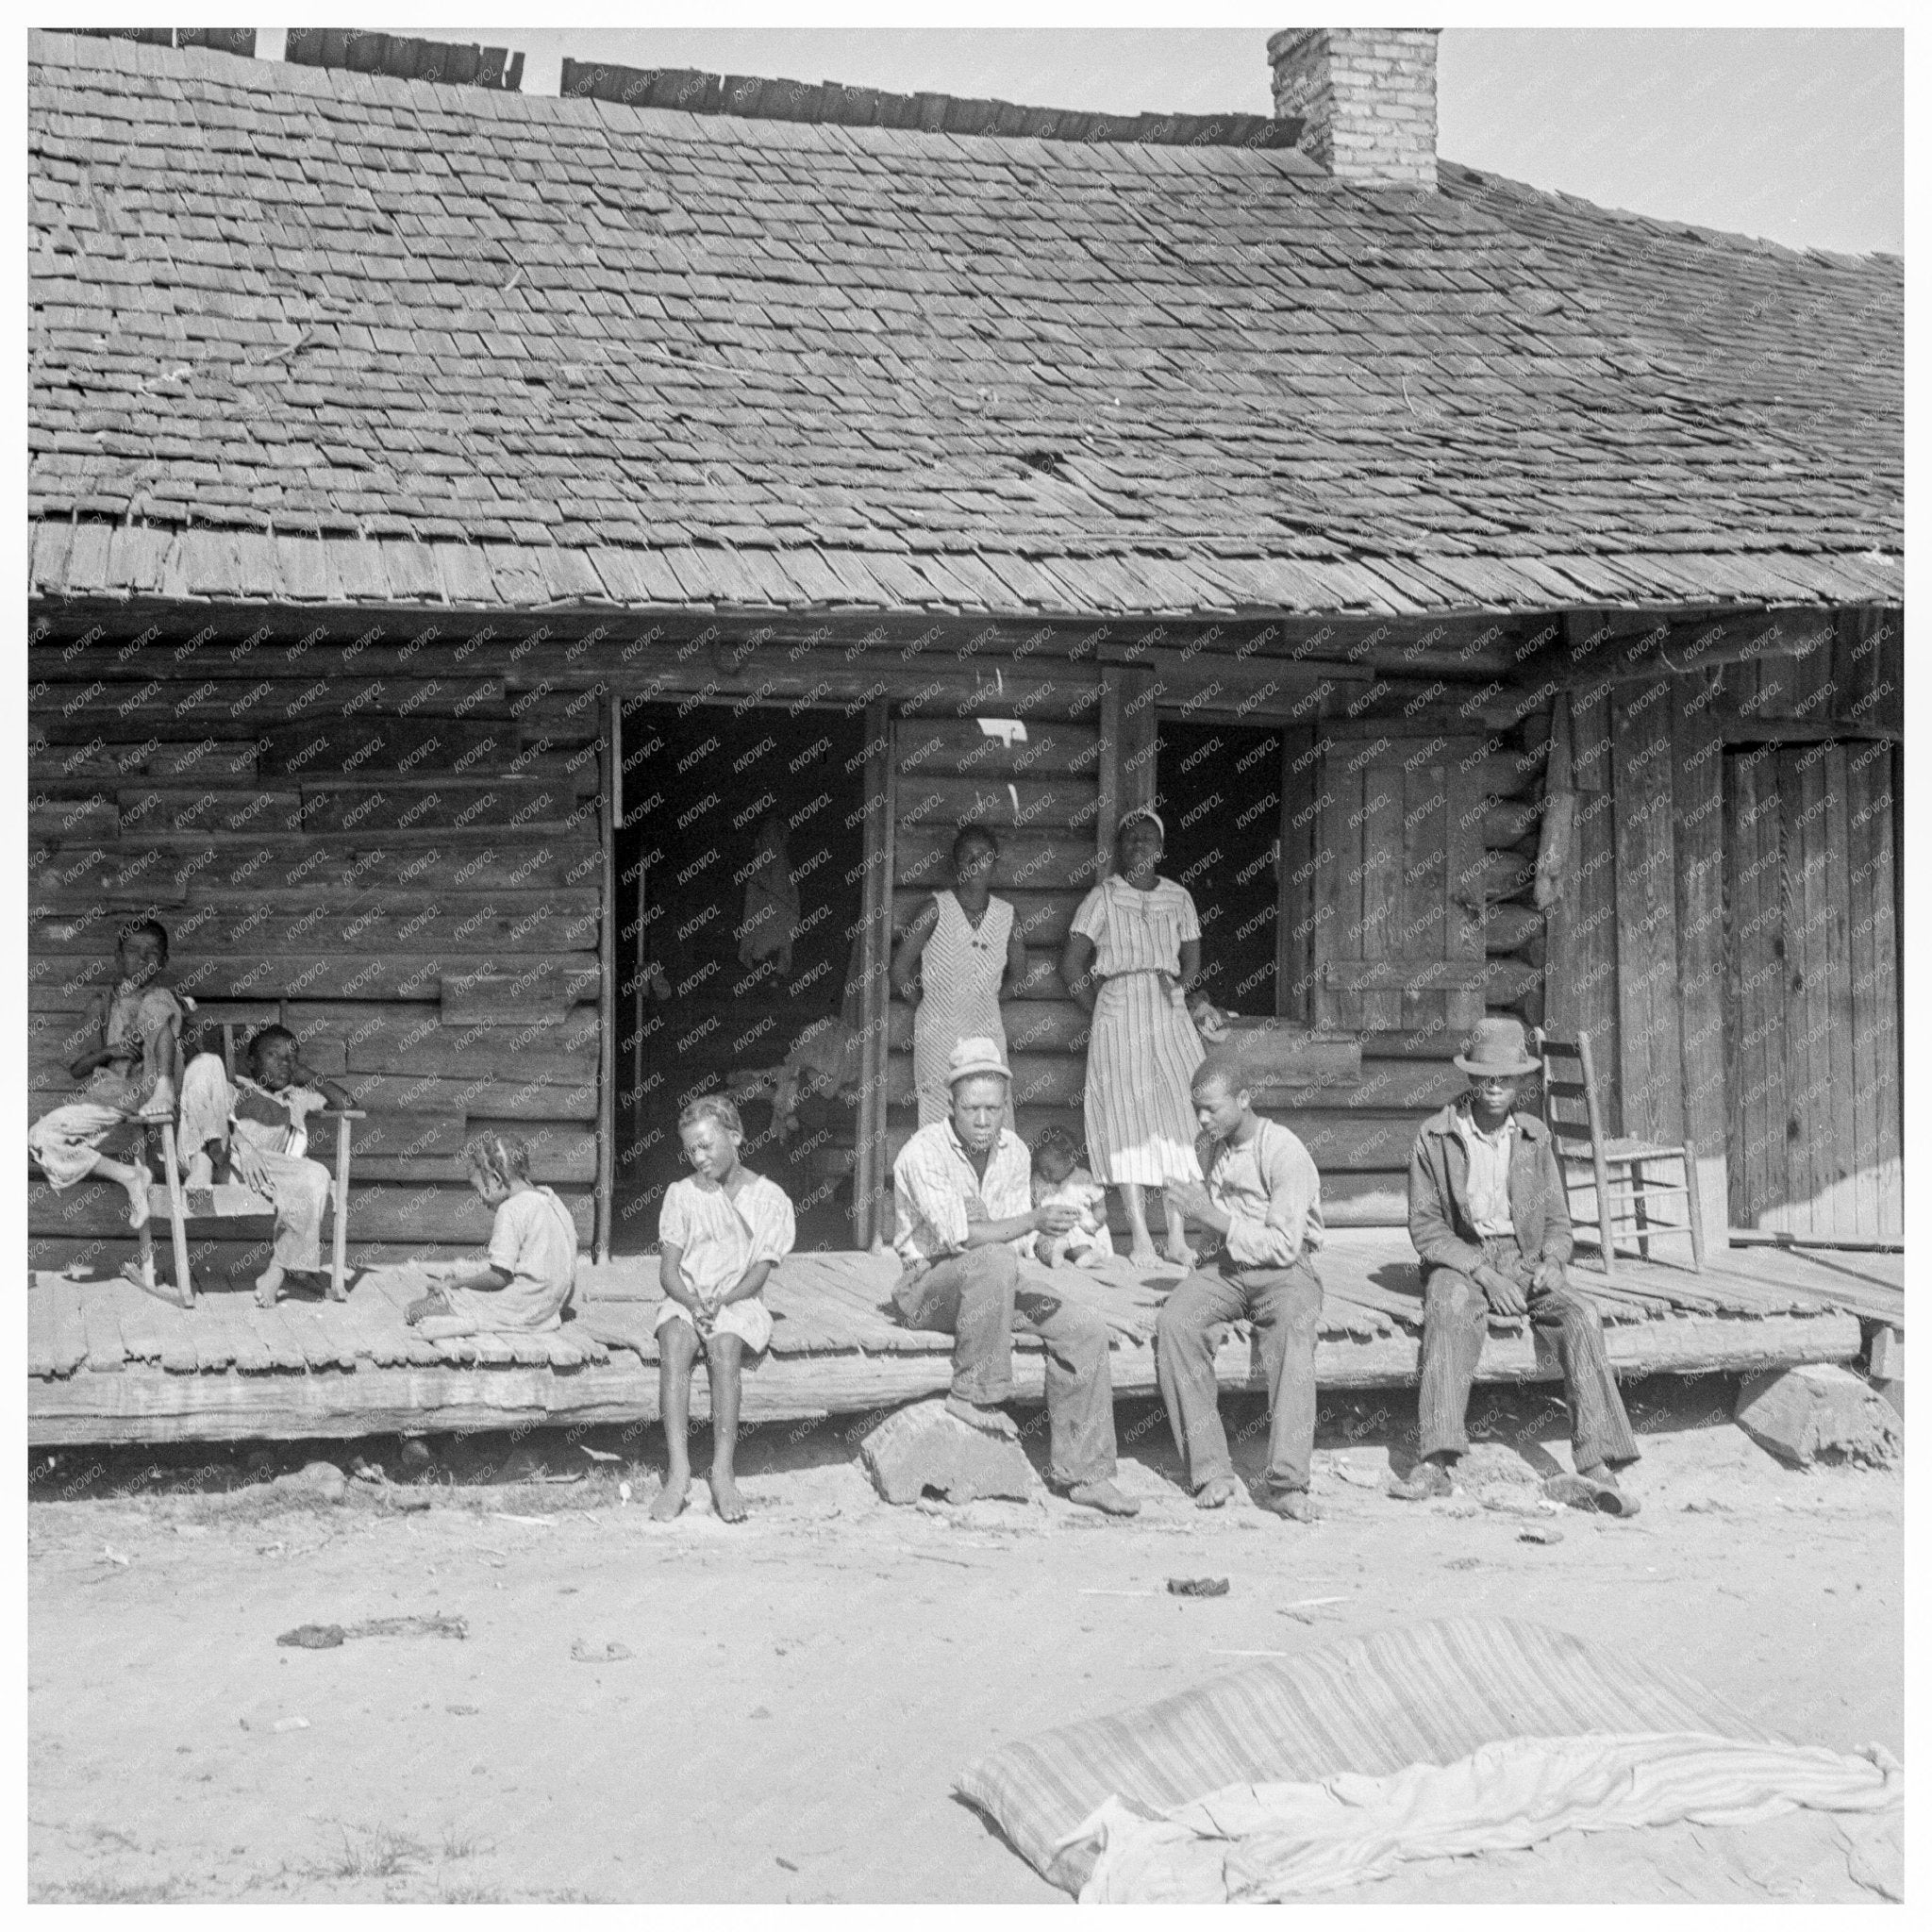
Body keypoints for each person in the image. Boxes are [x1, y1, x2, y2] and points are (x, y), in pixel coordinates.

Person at [1391, 1017, 1641, 1517]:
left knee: (1582, 1314)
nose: (1496, 1088)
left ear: (1522, 1083)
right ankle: (1437, 1460)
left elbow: (1557, 1223)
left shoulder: (1533, 1138)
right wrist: (1484, 1273)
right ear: (1470, 1079)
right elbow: (1426, 1231)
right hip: (1463, 1260)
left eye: (1507, 1079)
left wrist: (1553, 1261)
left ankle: (1596, 1461)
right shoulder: (1435, 1136)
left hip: (1524, 1259)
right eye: (1487, 1078)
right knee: (1448, 1306)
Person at [889, 1036, 1139, 1517]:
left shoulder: (1015, 1152)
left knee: (1082, 1330)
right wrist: (1028, 1224)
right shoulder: (923, 1151)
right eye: (972, 1109)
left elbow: (1011, 1239)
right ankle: (976, 1397)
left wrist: (1044, 1242)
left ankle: (1086, 1474)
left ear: (1005, 1106)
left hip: (994, 1282)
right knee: (994, 1260)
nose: (983, 1121)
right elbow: (960, 1236)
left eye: (993, 1109)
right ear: (952, 1105)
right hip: (927, 1288)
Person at [1156, 1055, 1325, 1522]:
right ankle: (1211, 1469)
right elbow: (1216, 1216)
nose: (1203, 1120)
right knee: (1174, 1322)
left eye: (1211, 1109)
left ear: (1244, 1100)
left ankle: (1288, 1482)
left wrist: (1210, 1217)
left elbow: (1285, 1246)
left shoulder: (1283, 1151)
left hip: (1285, 1270)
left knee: (1292, 1330)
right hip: (1227, 1266)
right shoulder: (1209, 1144)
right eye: (1197, 1111)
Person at [1060, 808, 1231, 1268]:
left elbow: (1192, 960)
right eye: (1130, 840)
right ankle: (1139, 1238)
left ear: (1160, 849)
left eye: (1146, 840)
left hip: (1166, 1007)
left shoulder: (1178, 897)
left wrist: (1179, 988)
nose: (1138, 847)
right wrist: (1100, 1012)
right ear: (1120, 849)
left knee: (1179, 1113)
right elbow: (1072, 965)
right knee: (1126, 1119)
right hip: (1118, 1005)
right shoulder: (1104, 897)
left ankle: (1175, 1238)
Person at [652, 1095, 796, 1524]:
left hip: (740, 1300)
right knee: (675, 1342)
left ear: (734, 1137)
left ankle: (722, 1469)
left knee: (725, 1345)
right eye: (690, 1150)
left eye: (706, 1146)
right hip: (689, 1296)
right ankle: (678, 1471)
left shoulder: (768, 1198)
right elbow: (669, 1272)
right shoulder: (682, 1195)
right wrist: (693, 1302)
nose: (698, 1157)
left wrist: (724, 1302)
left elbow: (760, 1271)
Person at [175, 1024, 355, 1307]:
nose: (284, 1063)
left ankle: (276, 1271)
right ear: (251, 1062)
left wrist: (306, 1074)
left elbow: (347, 1103)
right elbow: (203, 1102)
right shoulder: (234, 1087)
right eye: (273, 1055)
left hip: (269, 1172)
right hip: (221, 1156)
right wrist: (245, 1147)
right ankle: (202, 1164)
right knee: (206, 1063)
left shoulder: (296, 1096)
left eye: (291, 1057)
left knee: (316, 1174)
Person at [28, 920, 185, 1237]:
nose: (142, 959)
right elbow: (76, 1068)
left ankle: (163, 1090)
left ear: (164, 962)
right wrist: (110, 1051)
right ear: (118, 958)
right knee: (40, 1137)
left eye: (152, 953)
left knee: (157, 1003)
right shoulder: (103, 1003)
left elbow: (174, 1037)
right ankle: (129, 1176)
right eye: (133, 952)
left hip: (158, 1090)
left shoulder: (165, 999)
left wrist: (163, 1084)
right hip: (113, 1096)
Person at [891, 824, 1026, 1127]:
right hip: (938, 1032)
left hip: (987, 1030)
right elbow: (899, 969)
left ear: (995, 861)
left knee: (991, 1116)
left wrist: (986, 1000)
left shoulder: (1007, 916)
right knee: (942, 1115)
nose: (975, 862)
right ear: (955, 863)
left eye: (984, 856)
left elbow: (1019, 975)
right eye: (967, 856)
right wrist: (931, 1004)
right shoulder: (934, 909)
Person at [404, 1133, 581, 1340]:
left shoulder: (511, 1209)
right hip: (553, 1306)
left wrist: (456, 1284)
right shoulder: (551, 1199)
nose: (480, 1200)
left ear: (496, 1180)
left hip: (526, 1307)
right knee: (457, 1281)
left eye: (479, 1189)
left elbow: (499, 1279)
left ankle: (465, 1323)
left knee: (415, 1310)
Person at [1028, 1125, 1113, 1271]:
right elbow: (1029, 1205)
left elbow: (1100, 1206)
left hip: (1078, 1227)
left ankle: (1085, 1256)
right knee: (1044, 1243)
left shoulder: (1083, 1178)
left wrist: (1095, 1220)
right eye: (1041, 1168)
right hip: (1049, 1230)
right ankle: (1054, 1255)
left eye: (1049, 1170)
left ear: (1070, 1162)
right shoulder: (1038, 1180)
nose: (1044, 1173)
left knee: (1080, 1241)